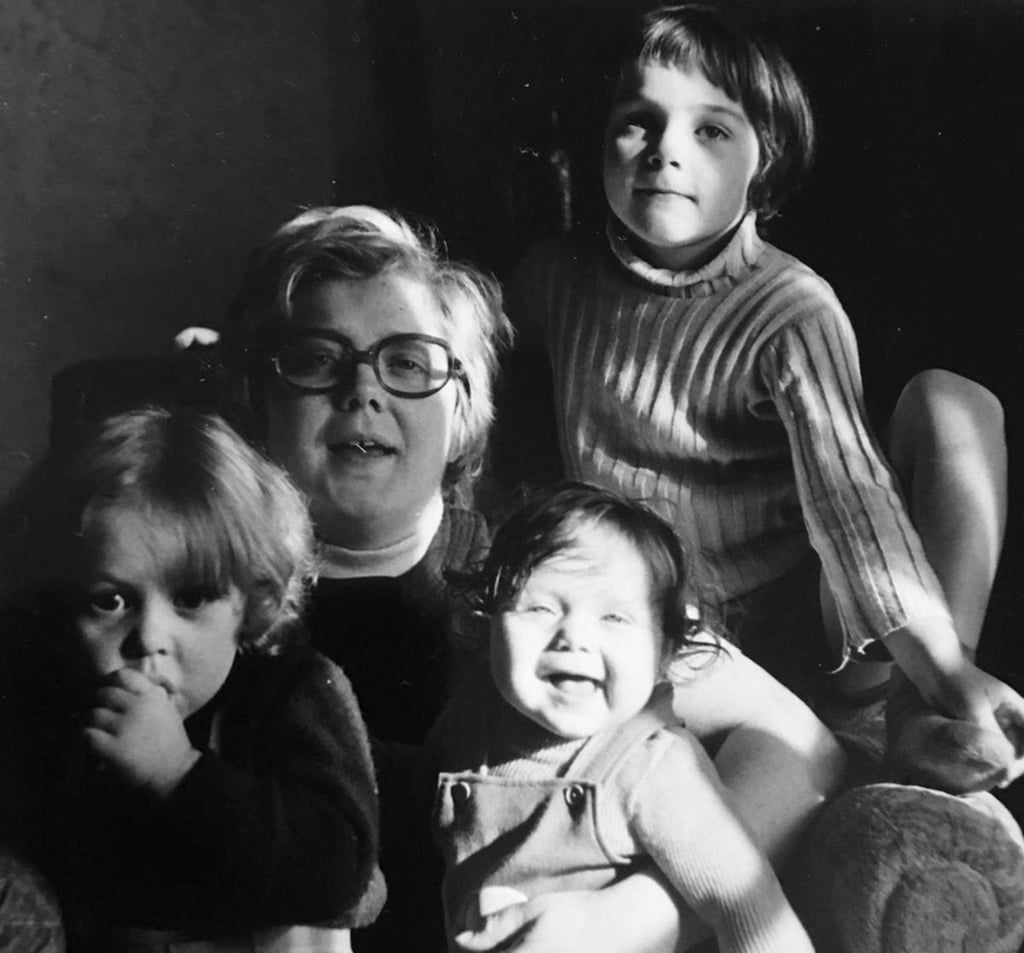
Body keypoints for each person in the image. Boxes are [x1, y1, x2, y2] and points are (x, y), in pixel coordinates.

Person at [215, 204, 844, 953]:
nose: (363, 389)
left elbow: (800, 744)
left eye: (408, 361)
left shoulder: (536, 574)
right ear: (259, 395)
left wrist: (640, 914)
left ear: (463, 405)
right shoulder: (206, 597)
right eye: (318, 357)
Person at [502, 2, 1024, 789]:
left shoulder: (788, 310)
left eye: (711, 130)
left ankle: (934, 706)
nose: (665, 152)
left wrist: (949, 670)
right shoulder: (554, 279)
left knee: (955, 403)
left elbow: (854, 507)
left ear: (765, 162)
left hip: (815, 633)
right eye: (638, 122)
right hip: (655, 627)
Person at [0, 407, 384, 952]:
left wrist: (180, 773)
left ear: (254, 601)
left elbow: (340, 872)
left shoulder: (293, 691)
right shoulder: (61, 702)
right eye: (109, 601)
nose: (149, 637)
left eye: (192, 598)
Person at [432, 483, 815, 953]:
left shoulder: (655, 767)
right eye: (540, 607)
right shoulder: (473, 714)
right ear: (488, 621)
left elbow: (750, 912)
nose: (573, 637)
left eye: (613, 618)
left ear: (665, 651)